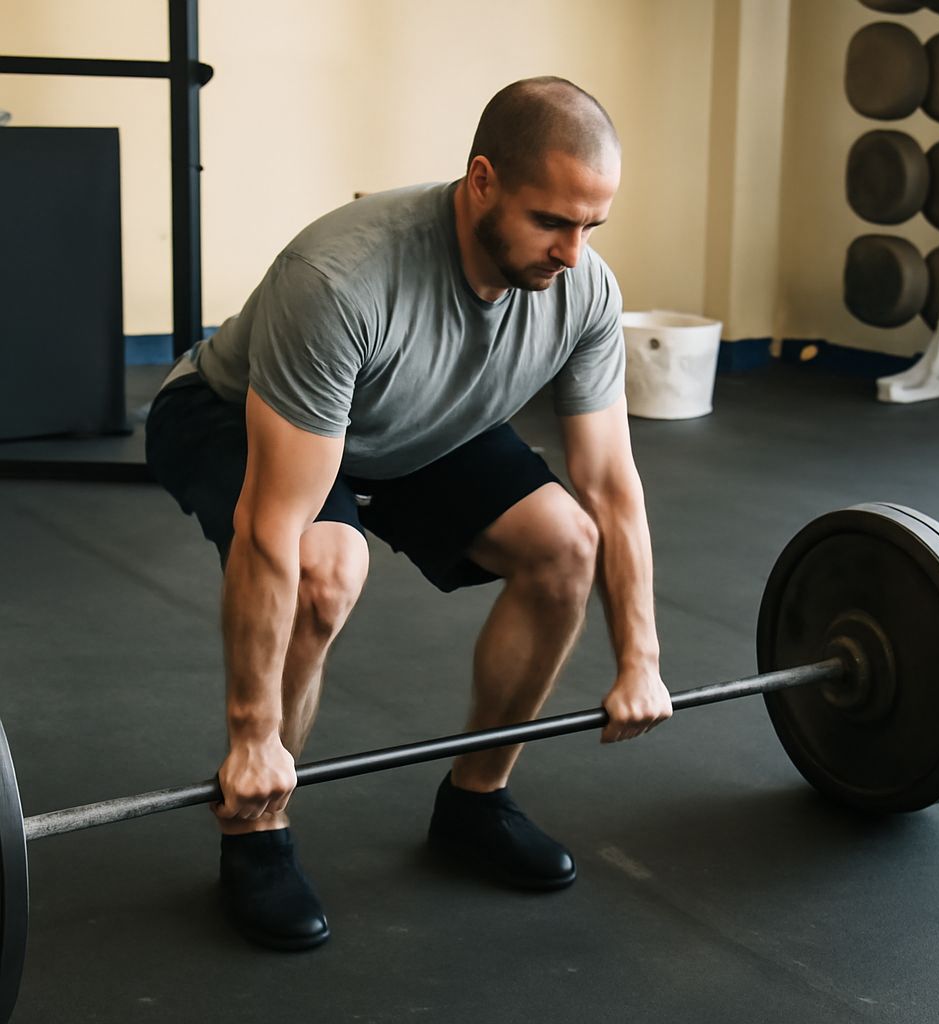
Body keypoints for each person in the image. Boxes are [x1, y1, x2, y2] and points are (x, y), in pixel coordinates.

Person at [146, 76, 672, 951]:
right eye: (552, 222)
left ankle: (476, 802)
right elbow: (271, 528)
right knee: (325, 570)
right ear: (482, 182)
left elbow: (611, 484)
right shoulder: (344, 278)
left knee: (565, 545)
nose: (573, 254)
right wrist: (251, 734)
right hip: (230, 412)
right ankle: (254, 825)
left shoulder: (582, 290)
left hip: (413, 421)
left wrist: (641, 660)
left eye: (592, 227)